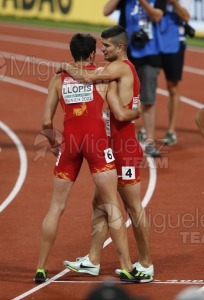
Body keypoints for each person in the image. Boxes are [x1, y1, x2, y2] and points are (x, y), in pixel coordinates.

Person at [34, 32, 151, 284]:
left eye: (107, 46)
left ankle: (41, 267)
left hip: (72, 145)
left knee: (57, 207)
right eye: (100, 49)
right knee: (111, 205)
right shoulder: (102, 79)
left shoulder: (59, 80)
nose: (103, 51)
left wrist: (55, 145)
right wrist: (140, 110)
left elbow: (45, 121)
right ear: (91, 54)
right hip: (99, 145)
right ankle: (125, 265)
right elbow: (119, 112)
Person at [103, 0, 166, 158]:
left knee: (149, 99)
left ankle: (149, 142)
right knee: (120, 98)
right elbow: (106, 10)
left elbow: (157, 16)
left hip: (151, 53)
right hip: (127, 54)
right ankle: (118, 141)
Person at [159, 0, 190, 145]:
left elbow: (186, 17)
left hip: (174, 45)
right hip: (153, 44)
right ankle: (143, 130)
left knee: (173, 87)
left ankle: (171, 131)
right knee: (145, 84)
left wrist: (174, 3)